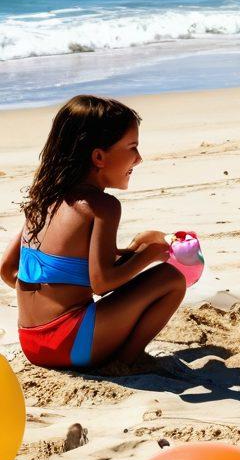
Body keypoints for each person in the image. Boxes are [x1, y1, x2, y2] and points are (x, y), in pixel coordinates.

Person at [0, 96, 186, 370]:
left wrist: (133, 250)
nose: (139, 158)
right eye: (132, 147)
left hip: (33, 344)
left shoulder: (43, 201)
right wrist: (150, 255)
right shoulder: (102, 206)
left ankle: (110, 351)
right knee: (171, 278)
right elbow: (103, 283)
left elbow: (7, 270)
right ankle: (126, 361)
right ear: (98, 157)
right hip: (71, 344)